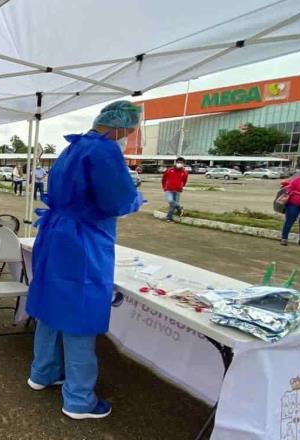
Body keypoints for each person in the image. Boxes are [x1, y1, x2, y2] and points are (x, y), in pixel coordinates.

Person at [25, 101, 145, 420]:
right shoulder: (105, 151)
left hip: (55, 234)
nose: (129, 136)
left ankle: (43, 372)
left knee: (51, 303)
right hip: (83, 239)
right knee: (81, 309)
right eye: (131, 131)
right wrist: (135, 199)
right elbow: (116, 199)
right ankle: (79, 399)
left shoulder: (72, 147)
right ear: (121, 128)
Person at [162, 157, 189, 222]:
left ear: (183, 164)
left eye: (181, 163)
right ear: (176, 162)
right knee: (170, 201)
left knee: (172, 205)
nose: (179, 164)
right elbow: (164, 179)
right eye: (178, 162)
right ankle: (179, 207)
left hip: (177, 190)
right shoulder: (169, 170)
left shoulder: (185, 172)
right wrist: (164, 187)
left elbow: (184, 181)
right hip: (169, 189)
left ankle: (169, 218)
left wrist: (181, 186)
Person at [280, 174, 300, 246]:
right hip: (293, 204)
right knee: (290, 221)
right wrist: (289, 192)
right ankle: (284, 238)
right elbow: (289, 188)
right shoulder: (298, 180)